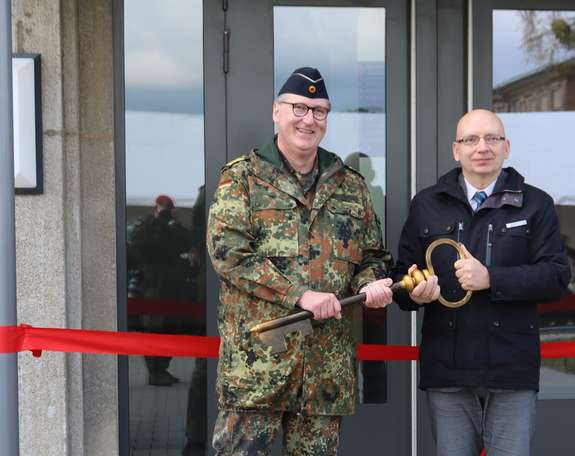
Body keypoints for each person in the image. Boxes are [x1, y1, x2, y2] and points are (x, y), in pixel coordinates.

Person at [207, 67, 393, 455]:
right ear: (277, 111)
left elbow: (373, 256)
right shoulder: (242, 178)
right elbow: (228, 254)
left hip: (325, 372)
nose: (309, 119)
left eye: (320, 111)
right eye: (299, 108)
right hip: (257, 368)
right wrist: (300, 295)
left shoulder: (351, 185)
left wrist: (371, 283)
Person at [393, 109, 570, 456]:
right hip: (448, 372)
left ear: (507, 147)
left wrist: (492, 278)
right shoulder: (427, 205)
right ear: (455, 150)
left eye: (492, 138)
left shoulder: (535, 204)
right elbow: (401, 279)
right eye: (470, 139)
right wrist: (416, 292)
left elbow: (557, 277)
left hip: (510, 371)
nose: (482, 147)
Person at [126, 194, 192, 387]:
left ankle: (161, 369)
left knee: (173, 328)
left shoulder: (175, 226)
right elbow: (137, 247)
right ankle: (155, 372)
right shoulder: (145, 225)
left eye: (167, 208)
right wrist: (155, 224)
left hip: (171, 284)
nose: (163, 212)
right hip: (150, 284)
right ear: (155, 208)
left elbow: (186, 241)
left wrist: (173, 222)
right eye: (161, 208)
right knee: (153, 329)